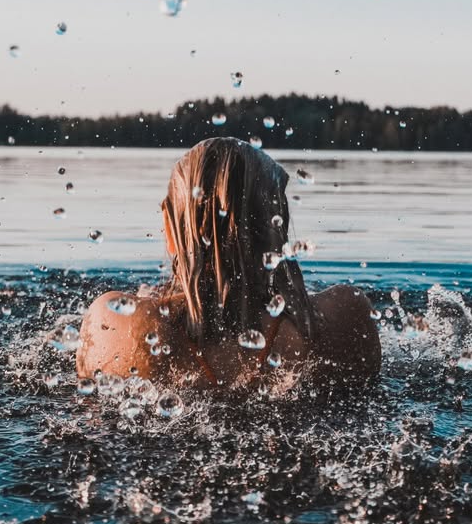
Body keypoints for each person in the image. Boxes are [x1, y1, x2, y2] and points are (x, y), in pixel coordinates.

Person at [76, 137, 380, 391]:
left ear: (171, 231)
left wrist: (153, 302)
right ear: (279, 227)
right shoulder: (345, 318)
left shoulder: (121, 322)